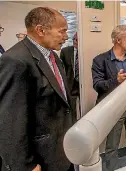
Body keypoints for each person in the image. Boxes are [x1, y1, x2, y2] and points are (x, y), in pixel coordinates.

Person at [0, 7, 75, 171]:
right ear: (41, 30)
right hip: (39, 158)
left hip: (60, 152)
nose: (66, 37)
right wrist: (26, 165)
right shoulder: (16, 60)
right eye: (62, 31)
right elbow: (10, 120)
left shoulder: (53, 56)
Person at [92, 25, 126, 170]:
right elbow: (98, 85)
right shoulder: (100, 60)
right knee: (112, 145)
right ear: (118, 40)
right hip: (114, 106)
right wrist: (116, 80)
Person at [60, 32, 80, 122]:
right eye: (74, 39)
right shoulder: (65, 51)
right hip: (70, 82)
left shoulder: (85, 51)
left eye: (77, 39)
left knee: (83, 105)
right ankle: (72, 123)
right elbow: (62, 68)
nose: (75, 41)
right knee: (71, 106)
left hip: (82, 83)